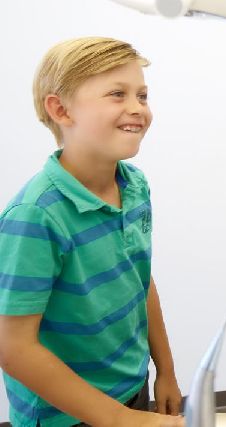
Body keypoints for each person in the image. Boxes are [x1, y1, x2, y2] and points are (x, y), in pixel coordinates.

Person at [0, 37, 184, 426]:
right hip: (66, 416)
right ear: (60, 109)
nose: (137, 108)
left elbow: (139, 278)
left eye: (142, 96)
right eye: (117, 94)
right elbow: (13, 348)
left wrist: (165, 369)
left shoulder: (134, 186)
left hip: (131, 389)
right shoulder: (35, 216)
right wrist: (119, 419)